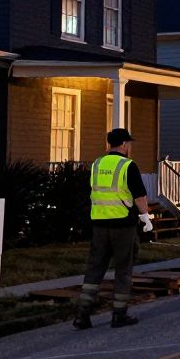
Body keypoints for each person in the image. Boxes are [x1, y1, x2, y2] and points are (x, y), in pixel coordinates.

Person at [73, 127, 153, 329]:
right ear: (125, 144)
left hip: (99, 225)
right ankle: (119, 314)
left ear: (110, 143)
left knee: (94, 269)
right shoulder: (127, 166)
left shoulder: (97, 164)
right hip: (122, 225)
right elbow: (139, 196)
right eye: (129, 144)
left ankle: (82, 315)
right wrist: (145, 216)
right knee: (123, 269)